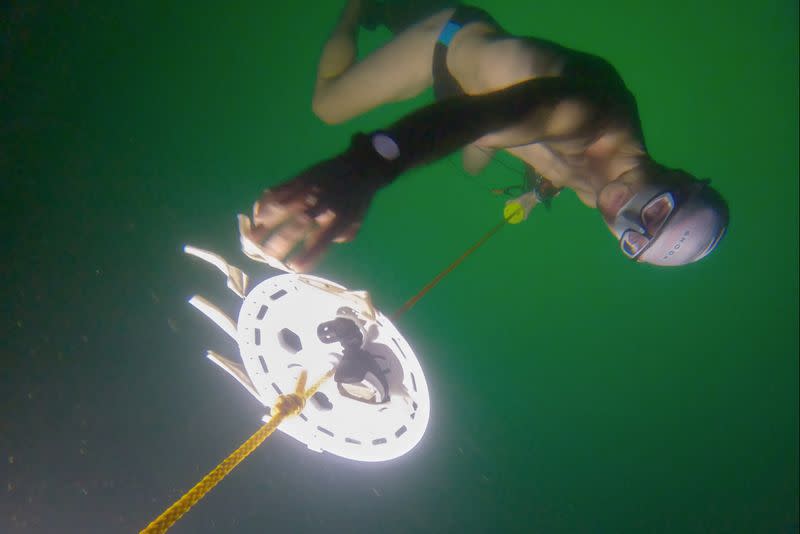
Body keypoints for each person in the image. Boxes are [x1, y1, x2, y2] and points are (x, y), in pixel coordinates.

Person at [239, 1, 729, 272]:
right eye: (656, 211)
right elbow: (493, 113)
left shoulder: (601, 196)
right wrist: (366, 166)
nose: (622, 214)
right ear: (680, 178)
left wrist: (542, 187)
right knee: (328, 107)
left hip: (474, 99)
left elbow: (506, 130)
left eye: (631, 240)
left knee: (475, 159)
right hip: (448, 45)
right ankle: (356, 6)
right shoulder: (596, 114)